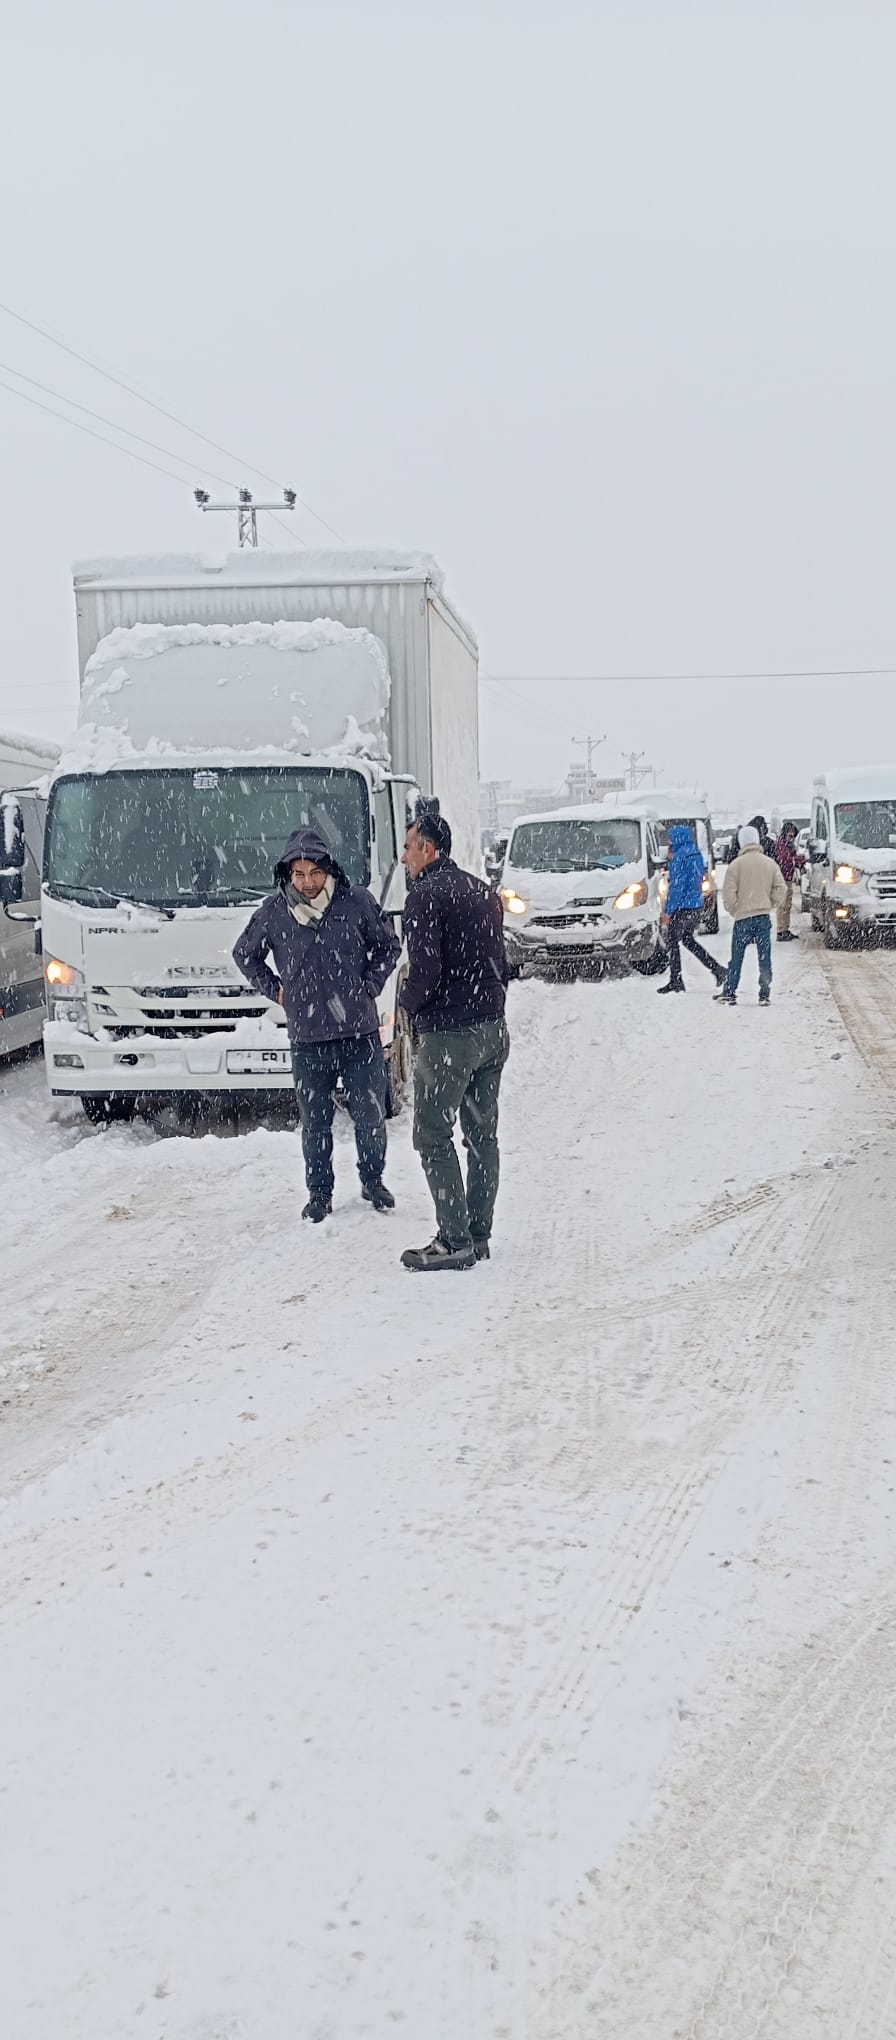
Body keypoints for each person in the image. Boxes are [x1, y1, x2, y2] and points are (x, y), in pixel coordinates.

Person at [233, 827, 401, 1222]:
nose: (307, 883)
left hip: (358, 1032)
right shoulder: (273, 913)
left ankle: (373, 1181)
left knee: (370, 1115)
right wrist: (276, 990)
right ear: (288, 876)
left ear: (329, 870)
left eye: (314, 873)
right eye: (299, 875)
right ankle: (319, 1193)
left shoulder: (356, 902)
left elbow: (389, 945)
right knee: (315, 1123)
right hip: (308, 1038)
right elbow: (245, 954)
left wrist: (370, 985)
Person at [399, 798, 509, 1272]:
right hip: (493, 1030)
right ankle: (477, 1234)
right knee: (481, 1134)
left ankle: (454, 1239)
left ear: (427, 848)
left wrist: (406, 1007)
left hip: (450, 1036)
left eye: (406, 847)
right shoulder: (482, 890)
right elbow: (501, 963)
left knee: (431, 1134)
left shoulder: (425, 896)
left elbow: (424, 971)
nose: (402, 857)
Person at [716, 824, 787, 1007]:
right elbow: (781, 888)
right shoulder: (769, 863)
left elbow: (728, 893)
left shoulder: (735, 865)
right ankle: (764, 994)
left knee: (736, 958)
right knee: (764, 957)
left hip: (742, 918)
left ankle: (730, 992)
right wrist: (771, 904)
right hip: (763, 916)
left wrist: (735, 909)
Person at [657, 825, 727, 995]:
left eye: (670, 838)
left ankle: (676, 980)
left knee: (673, 941)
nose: (668, 841)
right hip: (696, 905)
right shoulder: (695, 853)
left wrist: (668, 911)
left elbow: (677, 887)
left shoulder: (679, 857)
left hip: (683, 907)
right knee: (688, 939)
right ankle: (717, 969)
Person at [773, 820, 804, 942]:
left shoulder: (788, 845)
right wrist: (798, 860)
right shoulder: (782, 844)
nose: (792, 838)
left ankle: (785, 929)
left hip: (787, 877)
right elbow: (785, 859)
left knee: (787, 905)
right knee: (782, 905)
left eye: (793, 836)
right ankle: (781, 930)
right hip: (782, 878)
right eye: (790, 835)